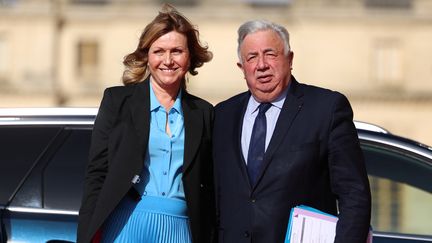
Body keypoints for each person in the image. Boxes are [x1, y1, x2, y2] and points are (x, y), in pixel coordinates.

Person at [213, 20, 371, 243]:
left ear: (290, 59)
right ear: (242, 68)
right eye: (252, 57)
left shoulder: (326, 109)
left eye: (270, 54)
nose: (261, 65)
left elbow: (354, 195)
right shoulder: (222, 115)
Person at [77, 4, 216, 243]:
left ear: (190, 56)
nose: (168, 60)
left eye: (177, 51)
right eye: (159, 51)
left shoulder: (204, 112)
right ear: (147, 56)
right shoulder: (116, 102)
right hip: (126, 226)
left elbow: (211, 187)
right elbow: (96, 175)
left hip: (181, 231)